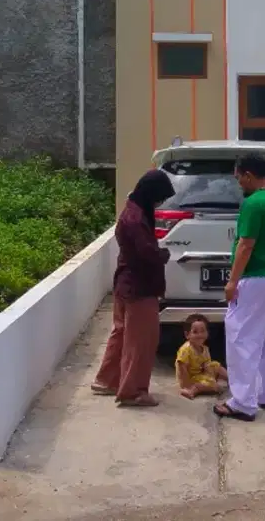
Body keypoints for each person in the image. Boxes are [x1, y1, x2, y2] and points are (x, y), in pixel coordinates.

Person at [213, 154, 265, 422]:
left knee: (241, 338)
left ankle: (243, 403)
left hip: (254, 278)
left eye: (238, 178)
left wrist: (232, 281)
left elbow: (246, 244)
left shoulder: (254, 203)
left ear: (248, 174)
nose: (238, 183)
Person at [91, 169, 175, 407]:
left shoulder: (132, 210)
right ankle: (133, 391)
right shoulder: (136, 220)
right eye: (159, 198)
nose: (159, 203)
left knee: (121, 333)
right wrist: (162, 255)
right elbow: (145, 253)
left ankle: (107, 380)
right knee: (141, 340)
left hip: (125, 283)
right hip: (139, 287)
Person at [175, 313, 228, 399]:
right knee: (212, 384)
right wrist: (186, 385)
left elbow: (207, 364)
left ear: (207, 333)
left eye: (203, 331)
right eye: (195, 332)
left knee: (216, 365)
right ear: (187, 335)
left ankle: (232, 381)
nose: (200, 335)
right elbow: (181, 367)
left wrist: (210, 373)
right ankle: (193, 390)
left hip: (201, 374)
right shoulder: (186, 350)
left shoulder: (205, 348)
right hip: (191, 378)